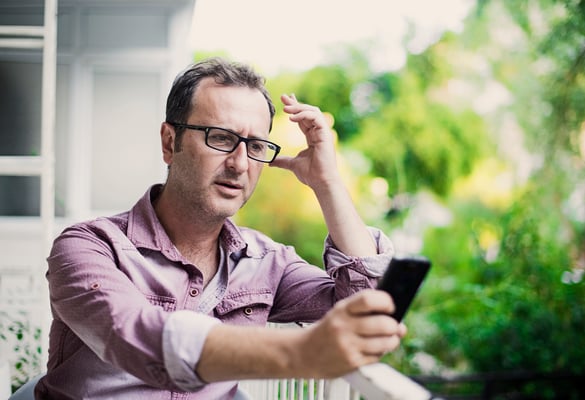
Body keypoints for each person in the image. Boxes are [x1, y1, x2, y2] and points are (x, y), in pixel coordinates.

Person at [35, 57, 406, 399]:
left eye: (256, 145)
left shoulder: (267, 263)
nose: (240, 164)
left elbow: (371, 303)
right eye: (222, 138)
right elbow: (135, 335)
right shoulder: (89, 247)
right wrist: (302, 352)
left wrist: (328, 183)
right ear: (170, 141)